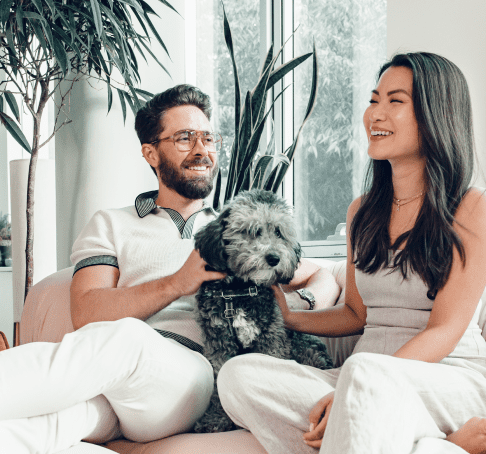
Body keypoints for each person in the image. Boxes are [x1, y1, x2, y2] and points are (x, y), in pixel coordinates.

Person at [0, 84, 340, 453]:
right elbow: (87, 312)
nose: (202, 151)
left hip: (192, 375)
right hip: (118, 380)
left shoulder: (239, 228)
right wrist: (178, 283)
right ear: (150, 153)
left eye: (208, 138)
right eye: (184, 138)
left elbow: (323, 275)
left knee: (128, 339)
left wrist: (296, 309)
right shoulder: (110, 223)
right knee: (44, 428)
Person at [216, 52, 486, 454]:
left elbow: (445, 330)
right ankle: (423, 441)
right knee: (238, 376)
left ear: (436, 115)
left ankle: (387, 426)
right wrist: (292, 318)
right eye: (374, 99)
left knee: (362, 378)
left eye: (395, 101)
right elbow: (357, 315)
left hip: (444, 378)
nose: (375, 114)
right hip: (361, 377)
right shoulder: (361, 212)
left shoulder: (472, 207)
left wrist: (354, 385)